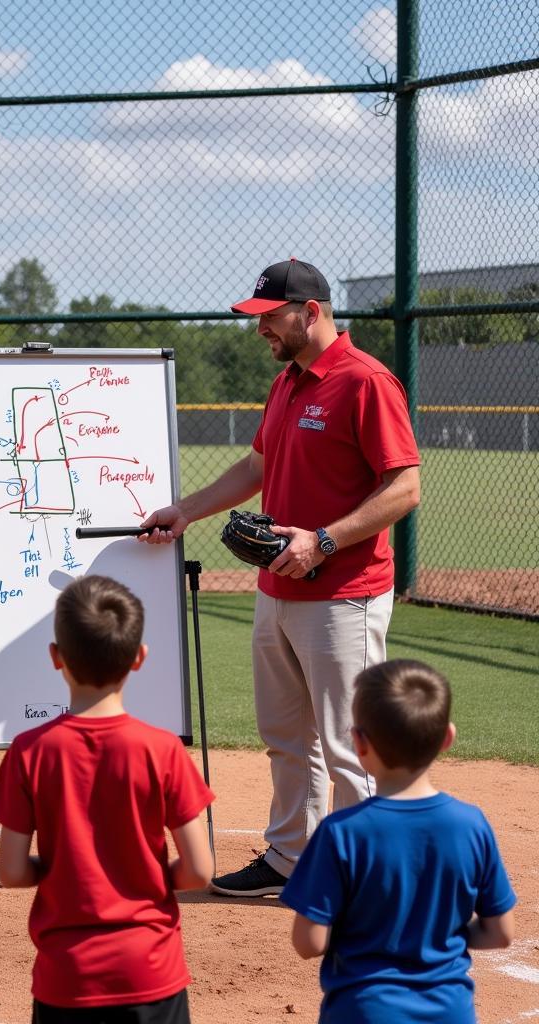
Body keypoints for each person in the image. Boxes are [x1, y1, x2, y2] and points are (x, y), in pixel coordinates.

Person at [141, 259, 421, 896]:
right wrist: (185, 511)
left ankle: (368, 879)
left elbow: (405, 486)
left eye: (269, 318)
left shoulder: (365, 381)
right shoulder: (288, 383)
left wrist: (324, 539)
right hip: (278, 587)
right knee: (286, 739)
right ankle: (291, 857)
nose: (260, 329)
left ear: (312, 313)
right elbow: (255, 469)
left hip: (342, 595)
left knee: (352, 743)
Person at [0, 575, 215, 1023]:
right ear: (139, 658)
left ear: (56, 658)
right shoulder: (162, 750)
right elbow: (199, 870)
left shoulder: (30, 751)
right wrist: (140, 876)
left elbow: (10, 871)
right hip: (150, 971)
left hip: (67, 977)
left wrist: (67, 874)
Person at [282, 658, 516, 1022]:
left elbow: (309, 942)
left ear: (359, 743)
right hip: (449, 1010)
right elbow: (500, 932)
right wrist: (435, 935)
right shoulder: (471, 824)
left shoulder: (341, 831)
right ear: (447, 738)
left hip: (363, 1009)